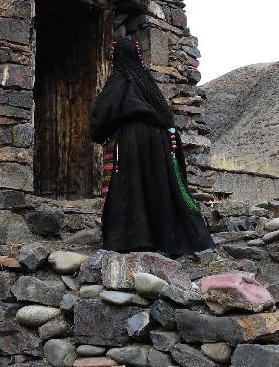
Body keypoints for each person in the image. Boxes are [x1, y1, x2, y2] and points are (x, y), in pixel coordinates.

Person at [91, 37, 214, 257]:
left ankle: (132, 239)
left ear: (117, 57)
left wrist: (100, 132)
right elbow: (165, 116)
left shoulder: (119, 80)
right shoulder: (146, 82)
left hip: (132, 138)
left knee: (131, 185)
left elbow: (101, 116)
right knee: (157, 185)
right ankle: (165, 237)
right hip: (159, 140)